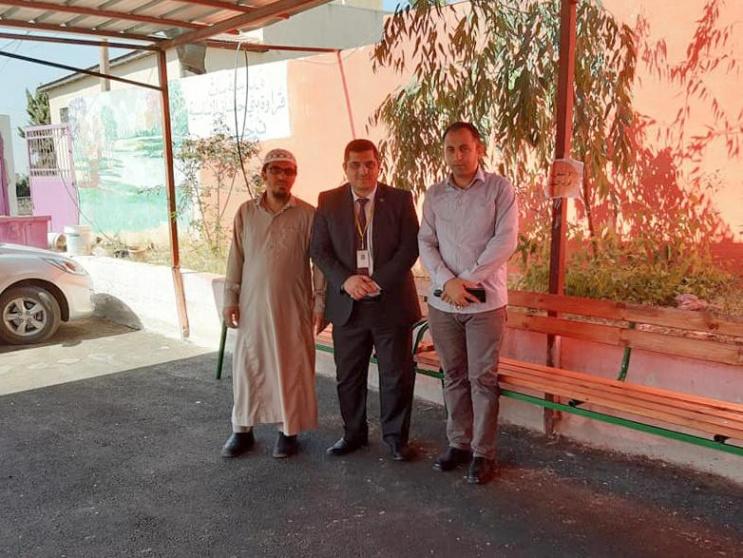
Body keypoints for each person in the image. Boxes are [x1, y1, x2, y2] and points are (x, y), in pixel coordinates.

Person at [418, 122, 518, 484]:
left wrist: (467, 281)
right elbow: (426, 242)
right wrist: (448, 282)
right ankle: (458, 443)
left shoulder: (499, 189)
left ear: (479, 149)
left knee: (482, 379)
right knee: (454, 376)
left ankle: (483, 452)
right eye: (450, 149)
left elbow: (505, 240)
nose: (457, 156)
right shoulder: (435, 195)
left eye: (464, 148)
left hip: (485, 306)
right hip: (444, 305)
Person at [310, 139, 421, 461]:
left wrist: (377, 281)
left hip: (390, 302)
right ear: (345, 167)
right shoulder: (328, 201)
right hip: (349, 305)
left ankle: (396, 439)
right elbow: (319, 249)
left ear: (378, 165)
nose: (363, 171)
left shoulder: (400, 199)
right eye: (355, 165)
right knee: (348, 376)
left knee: (396, 376)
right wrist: (346, 280)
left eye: (369, 164)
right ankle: (353, 434)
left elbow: (410, 248)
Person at [221, 148, 325, 459]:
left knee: (290, 367)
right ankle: (242, 430)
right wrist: (230, 299)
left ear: (295, 176)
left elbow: (319, 265)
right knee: (248, 366)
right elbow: (236, 258)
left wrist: (319, 303)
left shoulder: (308, 214)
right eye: (276, 170)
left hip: (293, 306)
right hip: (252, 306)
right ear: (264, 174)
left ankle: (288, 431)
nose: (282, 176)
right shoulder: (246, 212)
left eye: (288, 171)